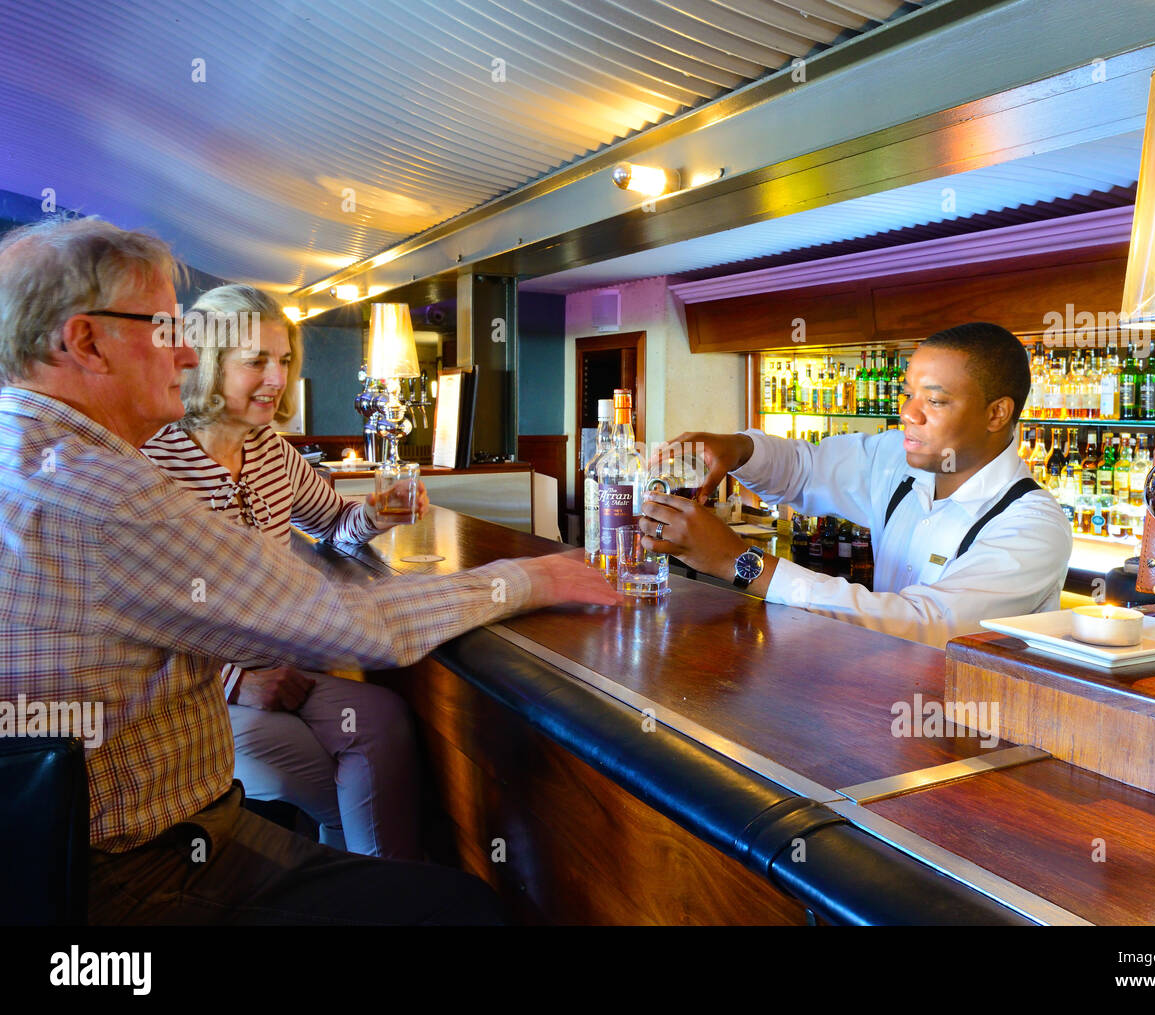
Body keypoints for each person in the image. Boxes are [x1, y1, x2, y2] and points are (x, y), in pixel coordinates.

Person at [0, 216, 619, 924]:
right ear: (84, 341)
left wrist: (377, 517)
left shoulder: (36, 453)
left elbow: (324, 533)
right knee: (459, 908)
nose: (183, 356)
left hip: (93, 850)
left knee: (375, 743)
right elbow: (357, 621)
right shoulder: (104, 491)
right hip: (136, 874)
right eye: (169, 329)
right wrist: (534, 577)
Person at [141, 284, 427, 860]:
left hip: (277, 669)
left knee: (384, 718)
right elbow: (140, 609)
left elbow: (332, 526)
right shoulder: (152, 458)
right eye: (256, 362)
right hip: (188, 693)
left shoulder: (270, 449)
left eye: (285, 361)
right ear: (206, 362)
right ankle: (367, 887)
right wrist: (236, 682)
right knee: (346, 781)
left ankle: (363, 890)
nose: (277, 379)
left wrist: (375, 515)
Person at [638, 322, 1072, 649]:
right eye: (908, 395)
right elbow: (804, 469)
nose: (909, 414)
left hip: (968, 731)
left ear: (997, 413)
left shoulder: (1032, 525)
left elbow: (928, 624)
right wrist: (737, 450)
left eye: (935, 401)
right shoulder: (896, 460)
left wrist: (740, 561)